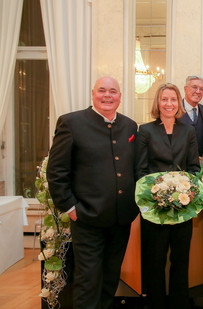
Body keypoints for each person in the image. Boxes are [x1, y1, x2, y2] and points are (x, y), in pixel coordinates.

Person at [46, 76, 139, 309]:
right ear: (92, 93)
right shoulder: (71, 123)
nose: (107, 96)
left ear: (120, 96)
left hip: (121, 220)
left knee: (110, 279)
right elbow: (56, 171)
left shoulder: (129, 126)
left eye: (113, 91)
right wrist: (70, 207)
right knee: (88, 281)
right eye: (102, 91)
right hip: (87, 218)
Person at [135, 83, 200, 308]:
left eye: (173, 99)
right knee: (155, 262)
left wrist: (184, 190)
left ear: (179, 103)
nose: (169, 104)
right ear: (158, 103)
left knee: (180, 262)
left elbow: (193, 168)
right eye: (165, 99)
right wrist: (157, 194)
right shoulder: (145, 131)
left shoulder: (188, 131)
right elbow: (141, 171)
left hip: (183, 208)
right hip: (155, 209)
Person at [180, 75, 203, 157]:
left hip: (200, 164)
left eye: (201, 89)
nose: (198, 91)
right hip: (179, 163)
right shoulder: (176, 110)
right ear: (185, 89)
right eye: (194, 87)